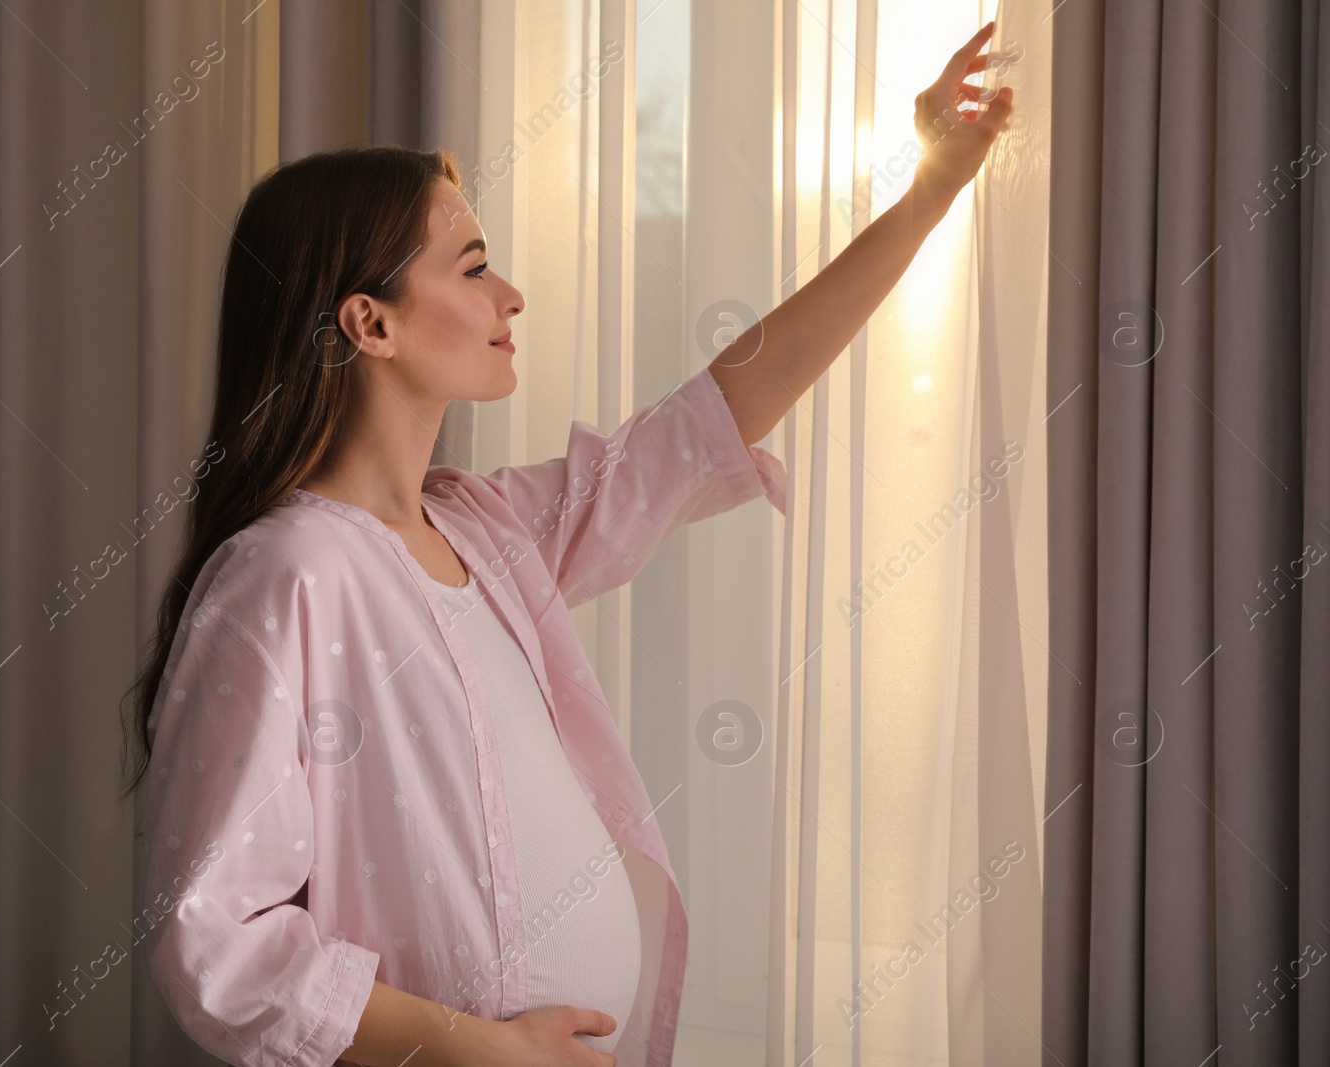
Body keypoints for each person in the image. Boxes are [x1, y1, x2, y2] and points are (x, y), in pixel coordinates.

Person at [119, 21, 1012, 1067]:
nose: (512, 296)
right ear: (370, 324)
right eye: (474, 268)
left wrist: (929, 193)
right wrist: (474, 1048)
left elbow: (719, 410)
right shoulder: (287, 575)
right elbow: (212, 938)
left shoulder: (484, 531)